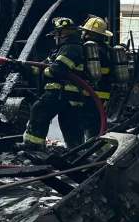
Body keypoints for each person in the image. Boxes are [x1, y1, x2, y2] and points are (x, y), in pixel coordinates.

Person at [16, 17, 87, 151]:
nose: (55, 38)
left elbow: (57, 70)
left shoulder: (71, 48)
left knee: (39, 110)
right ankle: (76, 151)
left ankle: (33, 146)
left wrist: (47, 70)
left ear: (63, 33)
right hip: (68, 96)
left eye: (57, 34)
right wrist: (23, 67)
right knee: (70, 124)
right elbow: (41, 67)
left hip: (63, 93)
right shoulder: (60, 49)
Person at [80, 16, 114, 140]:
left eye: (85, 31)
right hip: (104, 93)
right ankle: (95, 145)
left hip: (90, 92)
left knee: (89, 123)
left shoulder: (91, 51)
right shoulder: (108, 49)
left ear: (89, 33)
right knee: (97, 121)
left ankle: (89, 148)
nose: (83, 34)